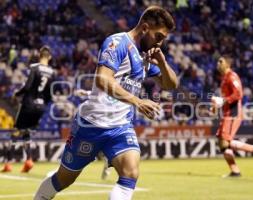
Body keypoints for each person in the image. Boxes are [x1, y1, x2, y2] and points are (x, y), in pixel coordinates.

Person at [34, 6, 177, 200]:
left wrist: (162, 62)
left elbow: (171, 84)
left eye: (164, 39)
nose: (160, 43)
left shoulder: (147, 56)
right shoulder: (117, 43)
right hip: (91, 124)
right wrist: (137, 101)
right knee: (64, 179)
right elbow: (103, 79)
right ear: (144, 28)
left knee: (130, 173)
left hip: (120, 127)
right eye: (158, 36)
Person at [1, 46, 55, 173]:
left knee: (15, 131)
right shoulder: (52, 72)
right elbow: (49, 94)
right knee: (26, 132)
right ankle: (29, 161)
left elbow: (27, 87)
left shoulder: (35, 68)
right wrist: (42, 104)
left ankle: (8, 164)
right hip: (40, 107)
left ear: (39, 55)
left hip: (28, 104)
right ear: (50, 57)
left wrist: (16, 94)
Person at [211, 55, 253, 177]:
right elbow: (224, 99)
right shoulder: (224, 78)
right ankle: (235, 171)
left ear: (227, 64)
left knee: (224, 142)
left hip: (233, 114)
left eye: (221, 61)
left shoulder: (232, 76)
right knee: (221, 141)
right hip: (227, 113)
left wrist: (223, 101)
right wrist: (215, 106)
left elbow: (238, 94)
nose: (218, 63)